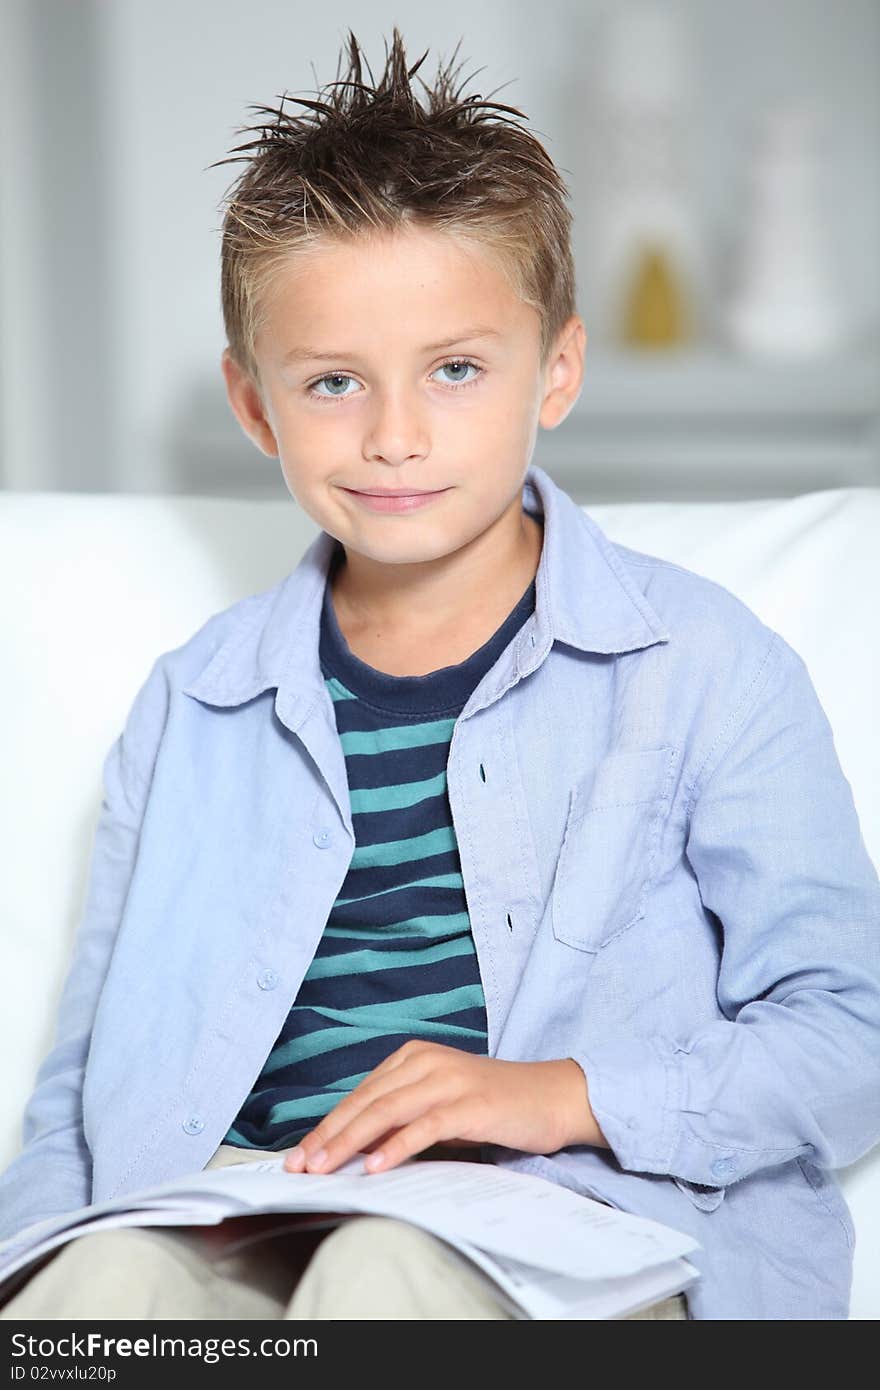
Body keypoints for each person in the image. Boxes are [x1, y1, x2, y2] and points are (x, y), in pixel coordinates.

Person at [1, 26, 878, 1323]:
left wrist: (549, 1093)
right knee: (99, 1286)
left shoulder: (703, 667)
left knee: (381, 1279)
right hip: (241, 1215)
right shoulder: (194, 703)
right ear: (256, 408)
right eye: (334, 381)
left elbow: (849, 1033)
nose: (396, 434)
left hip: (579, 1230)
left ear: (558, 371)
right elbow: (79, 1092)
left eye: (456, 370)